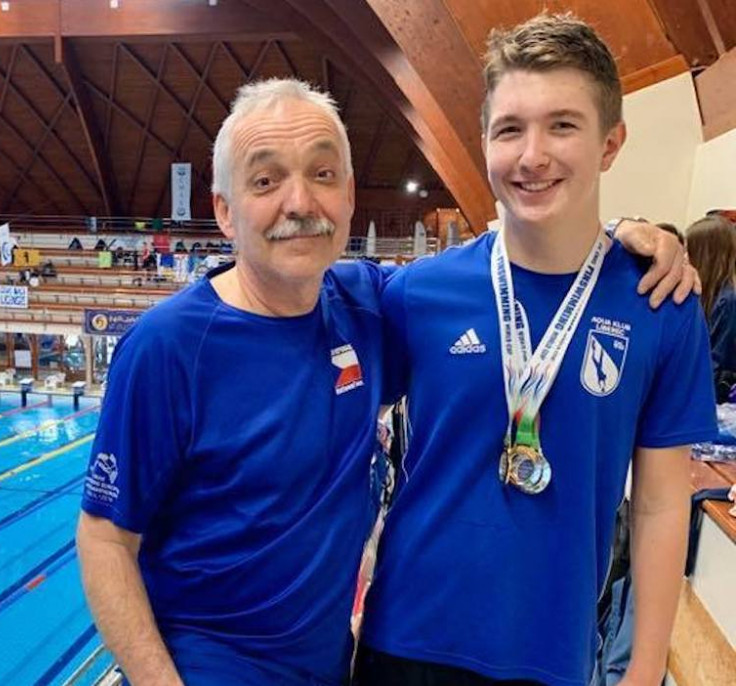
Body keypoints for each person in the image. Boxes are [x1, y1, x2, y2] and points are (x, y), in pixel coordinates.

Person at [78, 78, 696, 686]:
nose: (299, 202)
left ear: (348, 195)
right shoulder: (168, 348)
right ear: (223, 210)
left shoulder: (369, 308)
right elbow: (105, 539)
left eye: (322, 175)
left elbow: (527, 267)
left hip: (331, 666)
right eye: (265, 181)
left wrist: (621, 234)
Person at [355, 15, 717, 686]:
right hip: (405, 641)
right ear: (484, 142)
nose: (532, 155)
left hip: (551, 652)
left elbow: (661, 504)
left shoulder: (660, 304)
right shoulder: (419, 292)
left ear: (611, 143)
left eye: (563, 125)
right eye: (510, 129)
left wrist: (644, 666)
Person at [686, 214, 736, 400]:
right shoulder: (703, 295)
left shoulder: (727, 301)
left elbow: (714, 363)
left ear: (705, 256)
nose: (684, 257)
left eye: (689, 251)